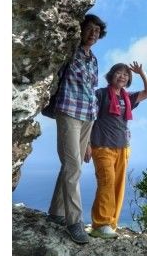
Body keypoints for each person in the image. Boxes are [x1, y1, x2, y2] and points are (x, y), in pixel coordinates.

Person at [44, 13, 106, 244]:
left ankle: (55, 212)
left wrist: (90, 139)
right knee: (73, 168)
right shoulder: (70, 53)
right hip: (68, 111)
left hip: (88, 115)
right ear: (81, 30)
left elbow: (91, 90)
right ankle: (74, 222)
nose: (93, 34)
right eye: (90, 29)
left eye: (97, 32)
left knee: (73, 165)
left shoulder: (94, 60)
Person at [87, 61, 147, 239]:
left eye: (126, 74)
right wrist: (86, 143)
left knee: (117, 186)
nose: (122, 76)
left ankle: (111, 223)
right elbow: (90, 119)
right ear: (111, 75)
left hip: (123, 148)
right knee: (106, 183)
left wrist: (142, 73)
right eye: (119, 72)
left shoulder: (128, 97)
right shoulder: (100, 94)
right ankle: (100, 224)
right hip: (102, 146)